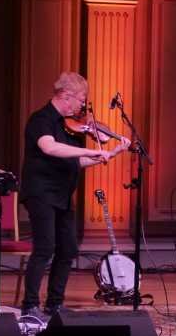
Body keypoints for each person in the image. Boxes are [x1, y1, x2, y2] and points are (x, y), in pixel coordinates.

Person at [19, 72, 130, 320]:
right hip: (41, 192)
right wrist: (89, 150)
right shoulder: (41, 119)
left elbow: (75, 162)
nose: (83, 106)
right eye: (81, 100)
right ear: (66, 96)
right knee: (45, 247)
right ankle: (30, 306)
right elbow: (49, 147)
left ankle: (54, 304)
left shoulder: (66, 125)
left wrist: (110, 153)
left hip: (61, 194)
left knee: (68, 249)